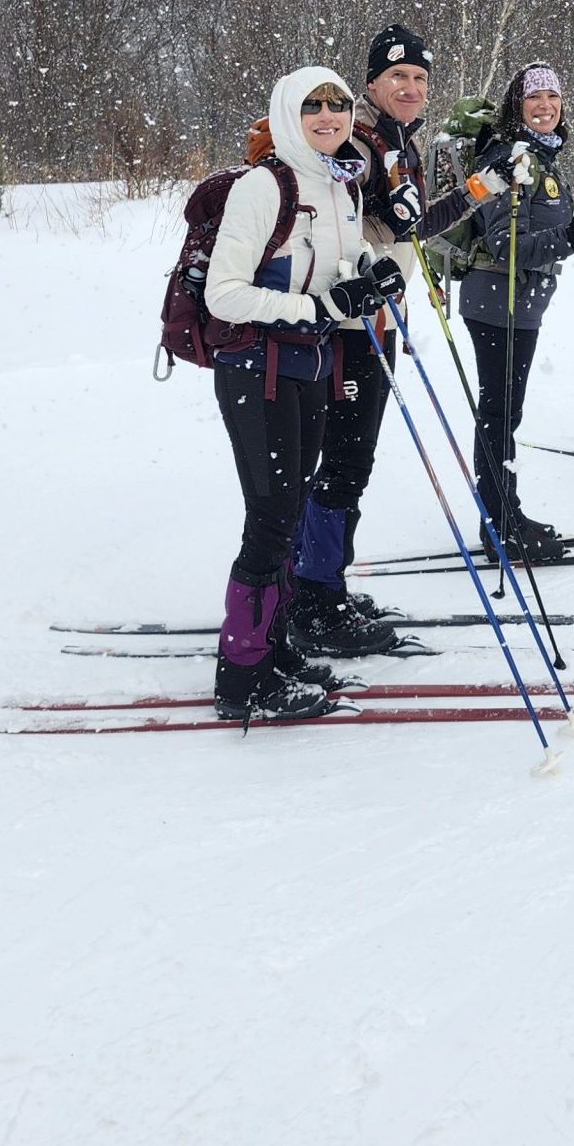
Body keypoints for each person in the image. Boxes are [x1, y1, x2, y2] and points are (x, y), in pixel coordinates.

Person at [250, 24, 472, 657]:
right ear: (372, 84)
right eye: (396, 76)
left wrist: (478, 190)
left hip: (373, 320)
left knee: (350, 461)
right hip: (347, 326)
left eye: (420, 78)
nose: (409, 86)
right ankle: (314, 596)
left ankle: (319, 582)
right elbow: (348, 186)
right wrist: (377, 194)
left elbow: (410, 228)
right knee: (346, 462)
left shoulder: (399, 142)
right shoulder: (367, 141)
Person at [206, 67, 402, 719]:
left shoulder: (339, 183)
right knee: (269, 520)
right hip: (256, 369)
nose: (328, 115)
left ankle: (275, 644)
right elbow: (225, 292)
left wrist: (370, 282)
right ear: (289, 113)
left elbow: (339, 269)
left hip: (311, 368)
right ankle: (242, 677)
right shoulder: (265, 186)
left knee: (290, 512)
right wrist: (314, 308)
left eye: (338, 105)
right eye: (313, 106)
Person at [458, 63, 574, 563]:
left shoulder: (542, 157)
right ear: (517, 105)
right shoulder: (508, 159)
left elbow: (543, 231)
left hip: (520, 304)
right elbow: (506, 245)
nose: (546, 105)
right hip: (496, 303)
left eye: (553, 95)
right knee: (499, 415)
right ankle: (499, 524)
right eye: (535, 97)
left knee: (504, 413)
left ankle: (505, 513)